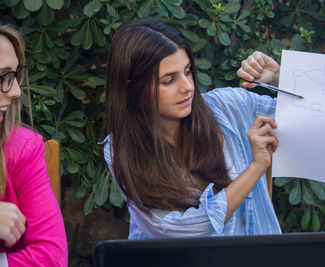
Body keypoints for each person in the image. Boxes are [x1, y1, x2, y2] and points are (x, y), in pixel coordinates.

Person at [102, 18, 282, 239]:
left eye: (187, 71)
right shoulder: (121, 147)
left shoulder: (228, 107)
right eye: (169, 80)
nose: (187, 87)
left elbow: (314, 117)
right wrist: (255, 169)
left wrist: (277, 78)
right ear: (133, 89)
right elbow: (178, 231)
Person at [0, 25, 68, 266]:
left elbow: (51, 256)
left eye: (14, 75)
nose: (16, 91)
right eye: (1, 78)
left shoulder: (21, 148)